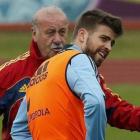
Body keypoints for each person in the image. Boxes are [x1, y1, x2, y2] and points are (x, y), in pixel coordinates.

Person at [12, 9, 123, 140]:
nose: (108, 47)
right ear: (82, 35)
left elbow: (18, 130)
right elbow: (95, 102)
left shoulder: (40, 72)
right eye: (103, 39)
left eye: (111, 43)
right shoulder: (78, 59)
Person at [0, 5, 68, 140]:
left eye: (62, 32)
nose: (58, 40)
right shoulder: (10, 74)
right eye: (50, 32)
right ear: (34, 34)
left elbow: (109, 106)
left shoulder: (80, 69)